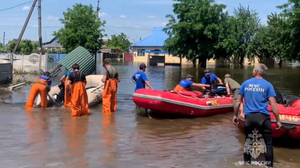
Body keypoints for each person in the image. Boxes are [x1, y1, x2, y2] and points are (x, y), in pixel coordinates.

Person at [232, 63, 282, 168]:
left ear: (255, 72)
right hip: (263, 117)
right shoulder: (268, 85)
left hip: (250, 117)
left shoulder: (245, 84)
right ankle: (269, 166)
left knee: (248, 142)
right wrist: (278, 120)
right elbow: (273, 105)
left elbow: (238, 102)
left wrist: (235, 116)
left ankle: (246, 164)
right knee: (268, 144)